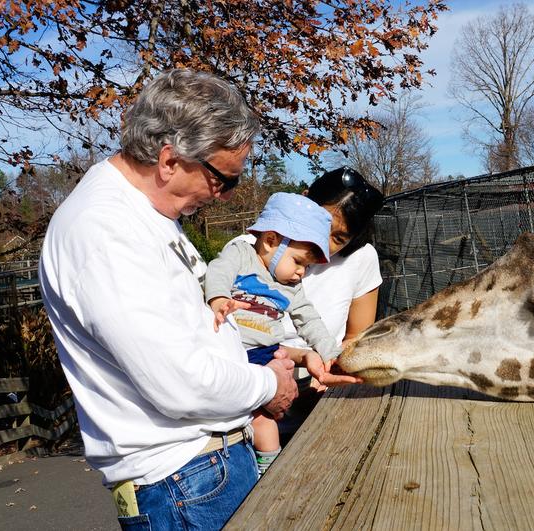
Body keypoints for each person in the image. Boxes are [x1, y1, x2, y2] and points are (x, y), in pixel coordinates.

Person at [39, 69, 298, 530]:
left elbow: (184, 340)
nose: (224, 196)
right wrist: (267, 386)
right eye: (223, 179)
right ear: (169, 160)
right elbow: (179, 381)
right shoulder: (105, 230)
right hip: (183, 484)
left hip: (198, 475)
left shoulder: (147, 216)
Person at [228, 167, 385, 439]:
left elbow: (356, 336)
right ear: (304, 200)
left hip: (320, 389)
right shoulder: (248, 250)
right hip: (254, 383)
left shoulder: (361, 259)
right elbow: (234, 335)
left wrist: (329, 369)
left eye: (338, 238)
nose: (321, 243)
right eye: (321, 221)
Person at [204, 192, 342, 475]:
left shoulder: (291, 287)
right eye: (298, 261)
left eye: (306, 266)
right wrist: (218, 298)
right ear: (270, 241)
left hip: (265, 356)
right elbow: (217, 271)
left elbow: (309, 319)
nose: (302, 272)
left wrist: (330, 352)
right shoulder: (241, 255)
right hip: (228, 351)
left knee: (266, 422)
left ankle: (267, 471)